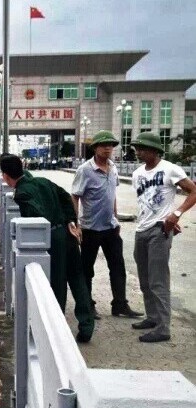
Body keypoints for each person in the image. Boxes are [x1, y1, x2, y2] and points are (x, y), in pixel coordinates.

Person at [0, 154, 95, 342]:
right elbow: (66, 198)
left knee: (57, 284)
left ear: (5, 175)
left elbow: (36, 215)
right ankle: (87, 326)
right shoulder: (43, 181)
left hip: (52, 238)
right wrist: (70, 221)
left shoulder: (22, 193)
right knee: (77, 279)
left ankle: (56, 332)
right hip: (67, 233)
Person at [130, 132, 196, 343]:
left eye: (141, 148)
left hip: (160, 230)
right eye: (137, 149)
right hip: (142, 228)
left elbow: (193, 191)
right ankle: (152, 317)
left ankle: (163, 327)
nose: (138, 152)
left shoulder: (170, 168)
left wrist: (176, 214)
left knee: (158, 280)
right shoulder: (137, 173)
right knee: (145, 279)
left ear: (154, 150)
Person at [71, 130, 143, 320]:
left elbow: (112, 195)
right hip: (90, 228)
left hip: (110, 228)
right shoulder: (85, 170)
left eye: (111, 145)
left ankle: (120, 304)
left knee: (118, 266)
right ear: (95, 148)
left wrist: (116, 218)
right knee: (87, 269)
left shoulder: (113, 167)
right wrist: (76, 224)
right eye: (104, 145)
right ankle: (88, 305)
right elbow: (75, 196)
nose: (108, 148)